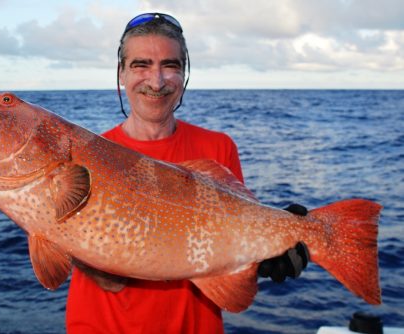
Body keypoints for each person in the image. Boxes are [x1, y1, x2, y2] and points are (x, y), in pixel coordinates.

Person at [66, 13, 309, 333]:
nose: (156, 81)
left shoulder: (219, 148)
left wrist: (265, 255)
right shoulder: (86, 157)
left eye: (170, 65)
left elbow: (231, 242)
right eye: (141, 65)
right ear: (121, 73)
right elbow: (104, 277)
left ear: (185, 73)